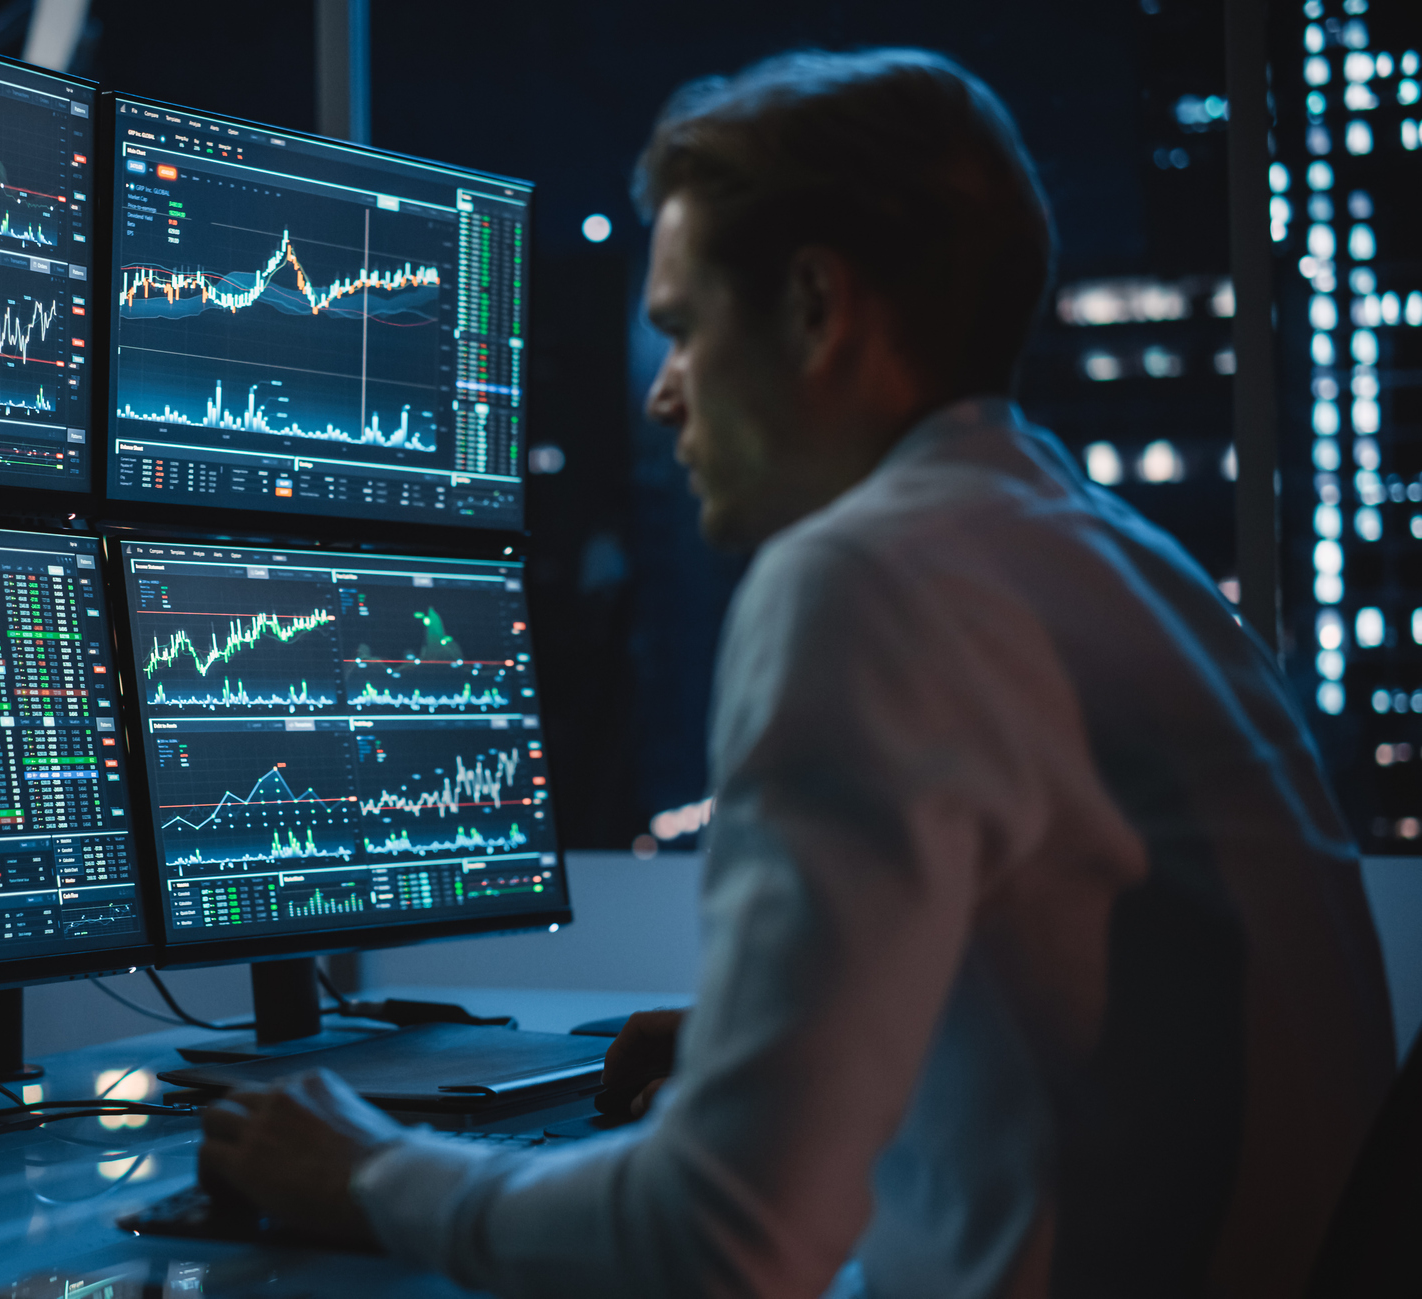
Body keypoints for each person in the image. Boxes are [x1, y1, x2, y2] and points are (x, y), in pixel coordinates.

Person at [196, 47, 1396, 1297]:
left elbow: (719, 1240)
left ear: (815, 307)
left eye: (679, 330)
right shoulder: (1122, 571)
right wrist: (774, 1050)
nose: (661, 397)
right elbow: (1096, 1030)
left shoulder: (865, 577)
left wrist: (371, 1177)